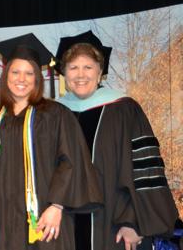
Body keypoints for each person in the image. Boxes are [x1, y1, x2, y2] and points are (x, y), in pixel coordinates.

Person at [54, 30, 178, 250]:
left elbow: (145, 170)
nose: (80, 74)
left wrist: (134, 222)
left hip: (115, 224)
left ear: (100, 71)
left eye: (88, 67)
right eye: (73, 67)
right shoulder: (54, 114)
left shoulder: (124, 110)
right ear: (63, 72)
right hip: (64, 227)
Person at [0, 33, 103, 250]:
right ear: (5, 76)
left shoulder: (56, 114)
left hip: (46, 220)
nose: (22, 79)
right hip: (5, 225)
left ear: (37, 78)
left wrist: (57, 206)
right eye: (16, 72)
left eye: (29, 73)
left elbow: (71, 161)